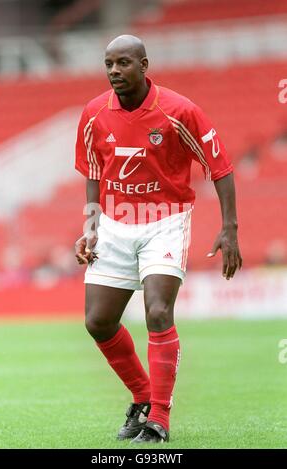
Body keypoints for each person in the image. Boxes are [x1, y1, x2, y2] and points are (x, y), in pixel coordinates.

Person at [74, 34, 242, 443]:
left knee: (158, 312)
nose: (115, 71)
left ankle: (160, 419)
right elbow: (93, 172)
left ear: (145, 65)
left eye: (124, 63)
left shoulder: (180, 111)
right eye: (109, 63)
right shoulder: (94, 114)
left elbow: (219, 166)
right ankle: (144, 396)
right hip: (114, 223)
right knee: (98, 321)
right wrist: (91, 226)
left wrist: (229, 227)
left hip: (165, 221)